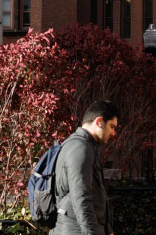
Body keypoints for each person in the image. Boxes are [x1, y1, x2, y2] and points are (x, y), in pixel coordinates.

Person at [54, 99, 119, 235]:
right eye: (112, 126)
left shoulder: (82, 146)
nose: (113, 133)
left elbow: (94, 195)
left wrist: (108, 230)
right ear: (99, 122)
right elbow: (81, 197)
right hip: (75, 230)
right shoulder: (80, 148)